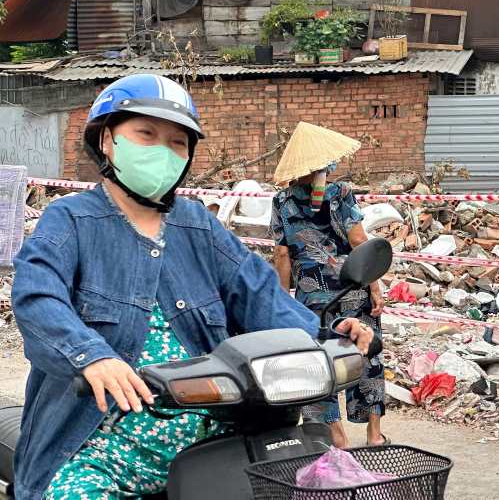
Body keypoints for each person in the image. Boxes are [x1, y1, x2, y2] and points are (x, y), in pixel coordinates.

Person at [11, 75, 373, 500]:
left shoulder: (197, 225)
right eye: (146, 134)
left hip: (211, 445)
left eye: (177, 142)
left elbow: (260, 295)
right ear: (107, 140)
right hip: (99, 450)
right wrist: (92, 358)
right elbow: (37, 297)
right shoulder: (69, 220)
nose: (164, 151)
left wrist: (327, 337)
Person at [270, 122, 387, 449]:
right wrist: (375, 285)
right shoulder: (341, 192)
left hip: (311, 297)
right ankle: (374, 435)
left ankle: (336, 437)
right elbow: (360, 240)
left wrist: (283, 301)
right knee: (366, 354)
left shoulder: (282, 201)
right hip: (352, 289)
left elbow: (281, 254)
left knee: (320, 362)